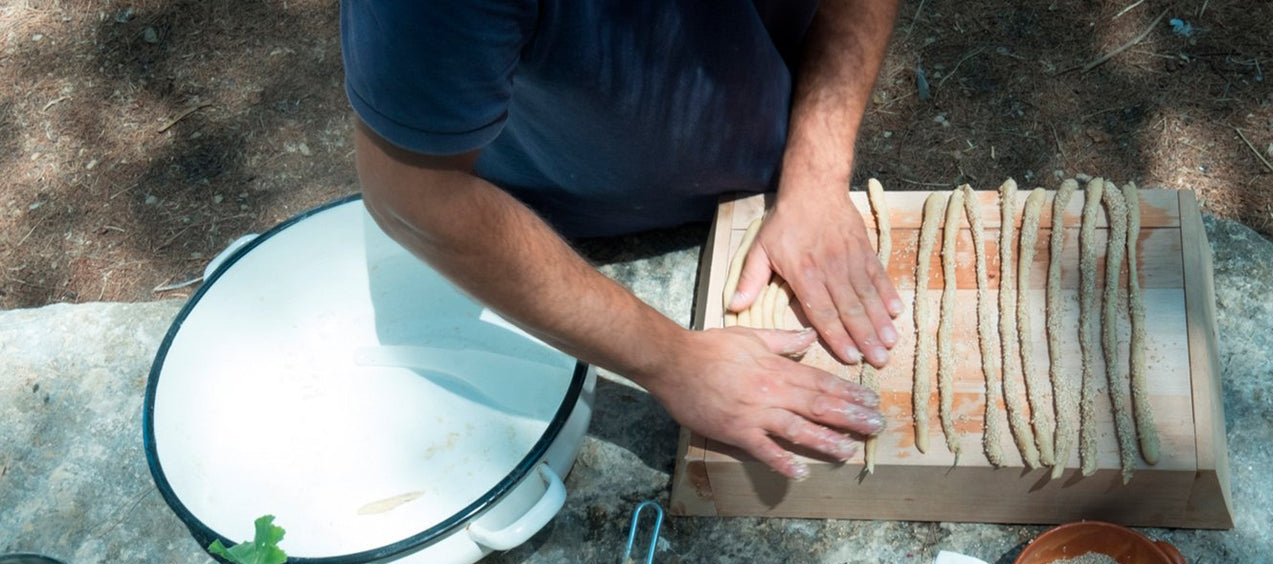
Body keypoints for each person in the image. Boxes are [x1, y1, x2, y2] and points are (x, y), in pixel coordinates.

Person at [341, 0, 902, 479]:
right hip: (538, 227)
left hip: (769, 169)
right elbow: (416, 196)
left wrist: (816, 169)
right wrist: (675, 361)